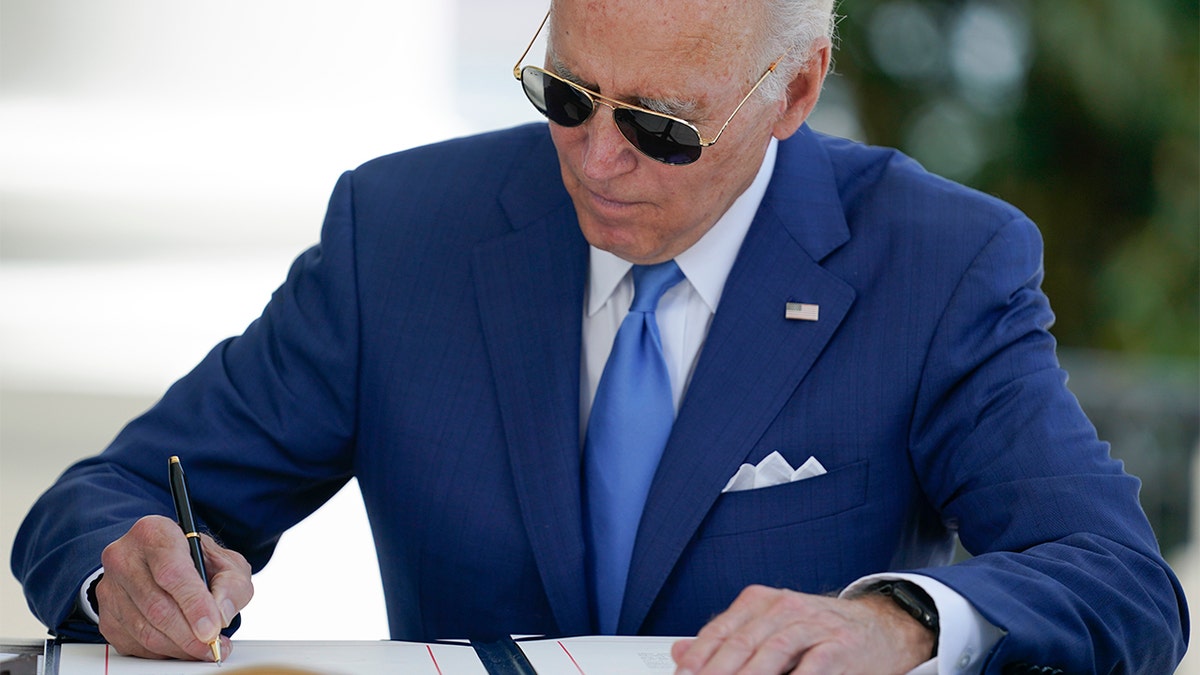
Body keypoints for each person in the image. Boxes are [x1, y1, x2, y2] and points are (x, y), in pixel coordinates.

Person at [11, 0, 1188, 672]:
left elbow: (1122, 587)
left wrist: (901, 624)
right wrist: (131, 570)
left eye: (664, 126)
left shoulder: (937, 262)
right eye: (565, 98)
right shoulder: (403, 233)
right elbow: (106, 493)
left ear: (795, 91)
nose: (599, 156)